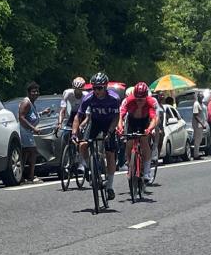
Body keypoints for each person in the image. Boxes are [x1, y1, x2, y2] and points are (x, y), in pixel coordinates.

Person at [72, 72, 122, 200]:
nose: (96, 91)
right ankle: (89, 168)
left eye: (99, 88)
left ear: (105, 87)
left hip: (109, 124)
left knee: (110, 154)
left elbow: (117, 116)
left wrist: (110, 131)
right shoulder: (88, 98)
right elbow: (78, 116)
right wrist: (74, 133)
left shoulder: (114, 98)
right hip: (95, 123)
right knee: (82, 145)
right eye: (94, 88)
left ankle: (109, 186)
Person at [118, 82, 161, 183]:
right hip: (132, 121)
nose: (139, 102)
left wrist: (149, 129)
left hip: (145, 121)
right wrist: (120, 127)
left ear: (146, 97)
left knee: (144, 141)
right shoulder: (128, 100)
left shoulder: (151, 101)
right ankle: (130, 165)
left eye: (141, 99)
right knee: (128, 144)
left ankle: (146, 171)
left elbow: (154, 119)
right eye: (137, 99)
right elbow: (120, 116)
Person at [57, 76, 86, 173]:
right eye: (76, 90)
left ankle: (81, 161)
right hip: (73, 114)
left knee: (81, 136)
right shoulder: (67, 93)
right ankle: (69, 156)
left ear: (83, 89)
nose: (77, 92)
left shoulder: (86, 95)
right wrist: (60, 123)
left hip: (83, 115)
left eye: (80, 90)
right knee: (66, 134)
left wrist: (82, 125)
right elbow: (62, 110)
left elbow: (88, 115)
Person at [18, 81, 43, 184]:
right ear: (28, 93)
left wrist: (43, 113)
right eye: (33, 91)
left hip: (28, 131)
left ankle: (21, 176)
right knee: (33, 152)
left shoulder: (31, 103)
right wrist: (34, 128)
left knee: (25, 154)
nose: (36, 93)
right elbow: (21, 117)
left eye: (37, 91)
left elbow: (31, 116)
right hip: (24, 131)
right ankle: (31, 176)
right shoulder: (26, 102)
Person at [191, 90, 207, 159]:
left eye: (202, 96)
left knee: (200, 139)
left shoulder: (203, 105)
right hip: (197, 124)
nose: (201, 97)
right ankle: (196, 155)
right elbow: (195, 115)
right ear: (198, 97)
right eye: (200, 96)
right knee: (197, 140)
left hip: (202, 124)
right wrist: (201, 123)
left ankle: (197, 153)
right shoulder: (196, 104)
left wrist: (205, 123)